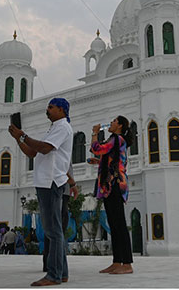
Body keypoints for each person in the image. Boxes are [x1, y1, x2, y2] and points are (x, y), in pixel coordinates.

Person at [9, 98, 73, 286]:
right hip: (46, 181)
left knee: (53, 230)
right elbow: (33, 152)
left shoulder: (62, 127)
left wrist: (24, 135)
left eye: (51, 107)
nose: (47, 110)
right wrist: (19, 138)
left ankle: (53, 274)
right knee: (54, 230)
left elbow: (45, 149)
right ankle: (62, 273)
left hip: (51, 181)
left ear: (61, 110)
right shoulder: (54, 128)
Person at [88, 116, 134, 274]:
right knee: (114, 225)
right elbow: (108, 157)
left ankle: (127, 263)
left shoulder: (117, 138)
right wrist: (99, 162)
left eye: (114, 121)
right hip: (109, 186)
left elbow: (97, 148)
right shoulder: (115, 139)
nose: (111, 122)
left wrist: (94, 133)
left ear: (119, 125)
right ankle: (117, 261)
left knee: (119, 224)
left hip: (114, 185)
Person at [43, 160, 78, 272]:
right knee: (57, 228)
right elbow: (59, 166)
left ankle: (50, 262)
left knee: (54, 227)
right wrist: (72, 183)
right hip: (61, 190)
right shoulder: (61, 148)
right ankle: (54, 264)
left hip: (61, 190)